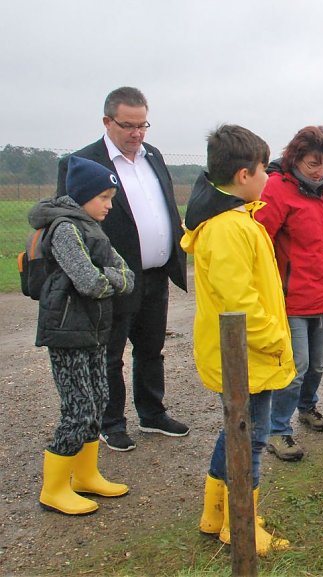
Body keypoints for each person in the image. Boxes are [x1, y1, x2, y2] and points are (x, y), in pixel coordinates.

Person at [181, 125, 296, 555]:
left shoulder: (236, 219)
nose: (269, 176)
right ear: (244, 175)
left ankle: (217, 514)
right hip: (246, 354)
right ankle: (240, 523)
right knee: (251, 437)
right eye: (265, 169)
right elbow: (239, 301)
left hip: (246, 354)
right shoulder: (229, 228)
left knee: (236, 431)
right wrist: (273, 340)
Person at [57, 87, 188, 452]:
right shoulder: (82, 162)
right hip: (113, 279)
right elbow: (70, 221)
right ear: (107, 121)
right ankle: (111, 422)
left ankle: (153, 413)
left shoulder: (153, 156)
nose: (137, 133)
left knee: (151, 348)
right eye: (128, 125)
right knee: (109, 353)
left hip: (155, 274)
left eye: (142, 125)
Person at [32, 156, 134, 515]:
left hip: (92, 329)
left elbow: (127, 275)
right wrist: (112, 279)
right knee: (78, 409)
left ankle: (86, 475)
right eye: (103, 197)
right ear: (83, 195)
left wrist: (110, 278)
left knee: (98, 400)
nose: (109, 205)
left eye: (111, 198)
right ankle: (54, 488)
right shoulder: (65, 229)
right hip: (67, 331)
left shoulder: (91, 227)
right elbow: (89, 282)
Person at [255, 126, 323, 462]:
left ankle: (307, 407)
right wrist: (265, 288)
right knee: (295, 367)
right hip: (291, 298)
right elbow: (259, 242)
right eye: (314, 163)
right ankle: (277, 429)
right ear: (296, 157)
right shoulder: (277, 188)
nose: (321, 171)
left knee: (317, 364)